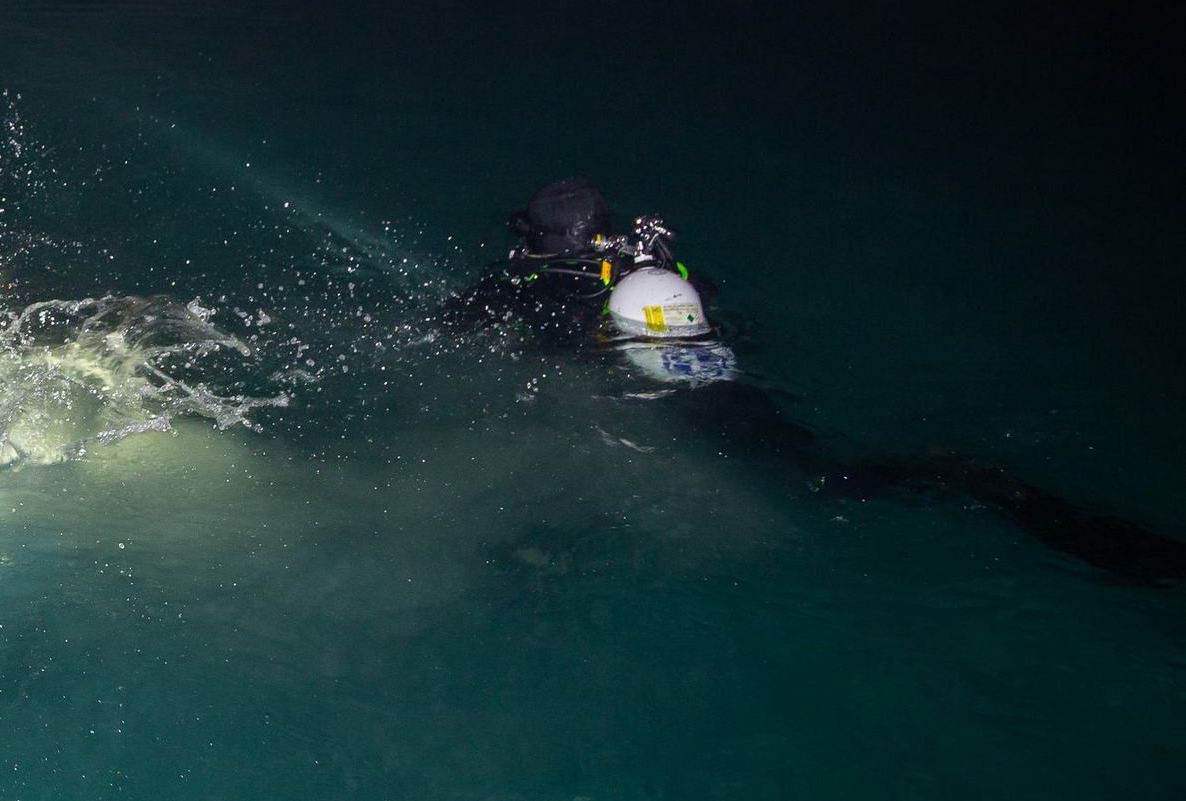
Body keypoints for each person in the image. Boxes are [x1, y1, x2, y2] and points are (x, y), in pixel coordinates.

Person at [455, 178, 1184, 585]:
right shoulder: (661, 273)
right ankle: (978, 487)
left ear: (539, 241)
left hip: (663, 417)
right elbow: (730, 324)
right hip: (733, 395)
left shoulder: (532, 287)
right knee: (799, 468)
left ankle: (954, 476)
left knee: (800, 486)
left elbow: (450, 326)